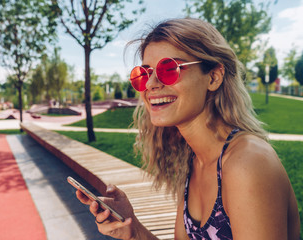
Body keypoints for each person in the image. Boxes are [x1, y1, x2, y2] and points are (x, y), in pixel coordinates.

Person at [76, 18, 301, 240]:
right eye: (144, 74)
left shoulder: (247, 162)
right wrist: (133, 230)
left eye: (169, 69)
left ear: (213, 77)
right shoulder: (194, 161)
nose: (152, 84)